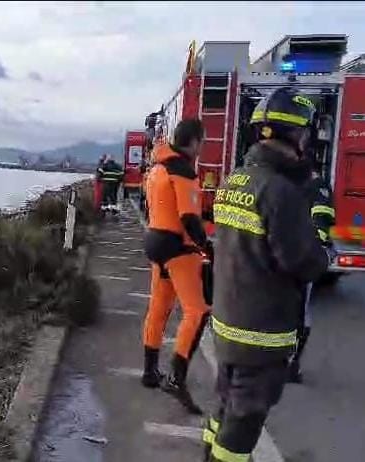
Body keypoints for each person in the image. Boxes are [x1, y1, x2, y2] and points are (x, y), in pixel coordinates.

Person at [203, 88, 332, 461]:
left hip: (228, 324)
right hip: (261, 336)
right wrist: (323, 251)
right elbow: (305, 263)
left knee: (224, 409)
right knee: (242, 427)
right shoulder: (282, 193)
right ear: (298, 136)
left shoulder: (235, 180)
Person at [141, 118, 211, 415]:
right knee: (197, 311)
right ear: (194, 142)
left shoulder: (156, 168)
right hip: (178, 248)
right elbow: (188, 218)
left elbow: (157, 207)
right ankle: (176, 378)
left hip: (155, 242)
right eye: (202, 142)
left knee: (159, 308)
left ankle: (149, 372)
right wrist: (207, 247)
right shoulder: (183, 171)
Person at [288, 162, 335, 383]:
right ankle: (291, 363)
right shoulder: (320, 187)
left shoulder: (287, 182)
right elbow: (322, 225)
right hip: (302, 257)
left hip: (283, 255)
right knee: (300, 313)